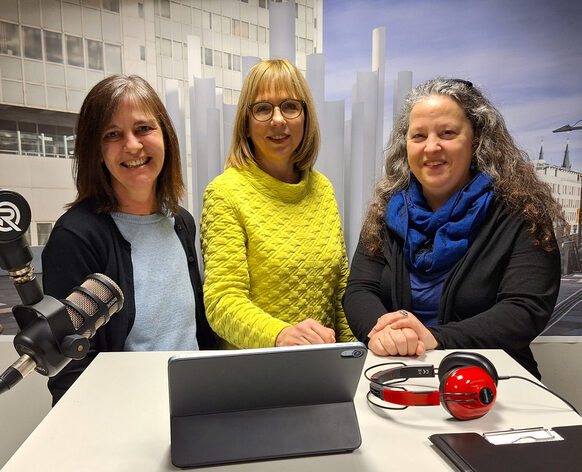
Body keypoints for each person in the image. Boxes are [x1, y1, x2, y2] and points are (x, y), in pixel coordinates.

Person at [343, 78, 562, 379]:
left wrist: (435, 338)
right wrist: (386, 332)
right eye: (418, 135)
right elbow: (359, 290)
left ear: (476, 140)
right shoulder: (388, 212)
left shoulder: (521, 211)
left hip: (494, 382)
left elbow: (524, 309)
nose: (432, 147)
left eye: (447, 133)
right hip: (399, 376)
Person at [42, 75, 215, 404]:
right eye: (113, 134)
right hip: (122, 413)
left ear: (165, 136)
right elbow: (70, 365)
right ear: (96, 151)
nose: (133, 145)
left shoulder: (181, 222)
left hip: (191, 402)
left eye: (144, 129)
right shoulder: (76, 235)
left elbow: (194, 330)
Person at [200, 58, 355, 349]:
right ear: (245, 125)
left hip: (322, 370)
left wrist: (352, 358)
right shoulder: (224, 193)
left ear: (305, 116)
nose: (278, 120)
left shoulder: (322, 189)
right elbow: (222, 301)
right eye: (262, 109)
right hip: (254, 377)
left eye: (290, 106)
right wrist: (280, 335)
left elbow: (339, 294)